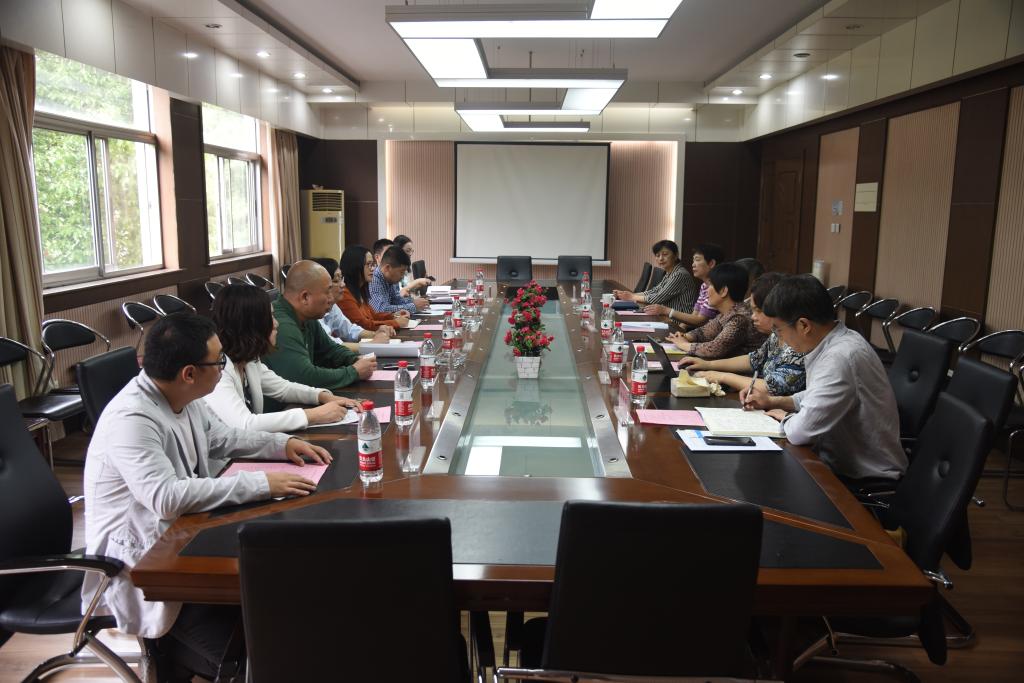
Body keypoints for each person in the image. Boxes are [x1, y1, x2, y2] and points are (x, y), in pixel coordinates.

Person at [82, 313, 331, 680]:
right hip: (147, 566)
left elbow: (222, 438)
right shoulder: (131, 418)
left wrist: (282, 444)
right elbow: (165, 497)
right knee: (266, 662)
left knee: (280, 614)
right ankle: (170, 654)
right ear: (189, 373)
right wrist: (261, 483)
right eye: (218, 361)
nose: (223, 366)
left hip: (183, 534)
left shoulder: (183, 395)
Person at [741, 274, 907, 484]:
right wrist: (774, 401)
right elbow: (817, 393)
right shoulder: (836, 340)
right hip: (832, 460)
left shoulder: (840, 357)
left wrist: (786, 417)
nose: (779, 337)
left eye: (779, 330)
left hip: (862, 476)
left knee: (759, 479)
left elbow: (800, 432)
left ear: (804, 325)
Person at [206, 284, 364, 431]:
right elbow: (245, 424)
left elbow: (283, 388)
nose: (276, 324)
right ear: (250, 324)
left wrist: (323, 396)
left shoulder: (249, 361)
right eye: (270, 316)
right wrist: (313, 415)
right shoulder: (218, 370)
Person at [678, 272, 805, 395]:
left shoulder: (798, 344)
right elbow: (753, 360)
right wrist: (708, 364)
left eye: (758, 310)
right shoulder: (776, 336)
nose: (753, 316)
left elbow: (772, 387)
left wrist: (721, 376)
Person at [263, 260, 376, 392]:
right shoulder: (281, 326)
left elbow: (330, 350)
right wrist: (354, 372)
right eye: (327, 292)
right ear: (305, 297)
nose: (331, 298)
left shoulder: (306, 316)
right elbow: (305, 377)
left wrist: (354, 359)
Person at [666, 262, 765, 359]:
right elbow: (704, 332)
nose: (707, 290)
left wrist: (683, 344)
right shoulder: (728, 312)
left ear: (723, 291)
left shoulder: (739, 317)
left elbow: (714, 350)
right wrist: (684, 336)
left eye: (710, 285)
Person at [644, 243, 725, 329]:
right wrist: (680, 330)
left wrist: (666, 311)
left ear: (711, 263)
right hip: (695, 330)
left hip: (708, 334)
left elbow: (700, 320)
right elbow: (695, 314)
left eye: (697, 260)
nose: (693, 264)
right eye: (693, 261)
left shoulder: (717, 287)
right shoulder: (704, 286)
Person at [612, 240, 698, 312]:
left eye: (665, 254)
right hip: (667, 316)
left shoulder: (679, 274)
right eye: (657, 255)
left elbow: (658, 298)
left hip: (679, 321)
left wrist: (632, 297)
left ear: (676, 255)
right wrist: (626, 295)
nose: (661, 258)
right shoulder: (670, 272)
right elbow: (655, 291)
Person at [339, 245, 411, 331]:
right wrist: (395, 323)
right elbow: (363, 324)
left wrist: (393, 316)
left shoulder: (360, 290)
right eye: (368, 264)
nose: (373, 268)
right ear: (355, 266)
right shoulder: (344, 294)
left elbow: (374, 315)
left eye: (373, 264)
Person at [369, 245, 429, 314]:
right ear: (387, 268)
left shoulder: (389, 279)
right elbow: (380, 310)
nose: (402, 276)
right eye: (401, 272)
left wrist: (413, 302)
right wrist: (413, 306)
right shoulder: (373, 280)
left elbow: (396, 300)